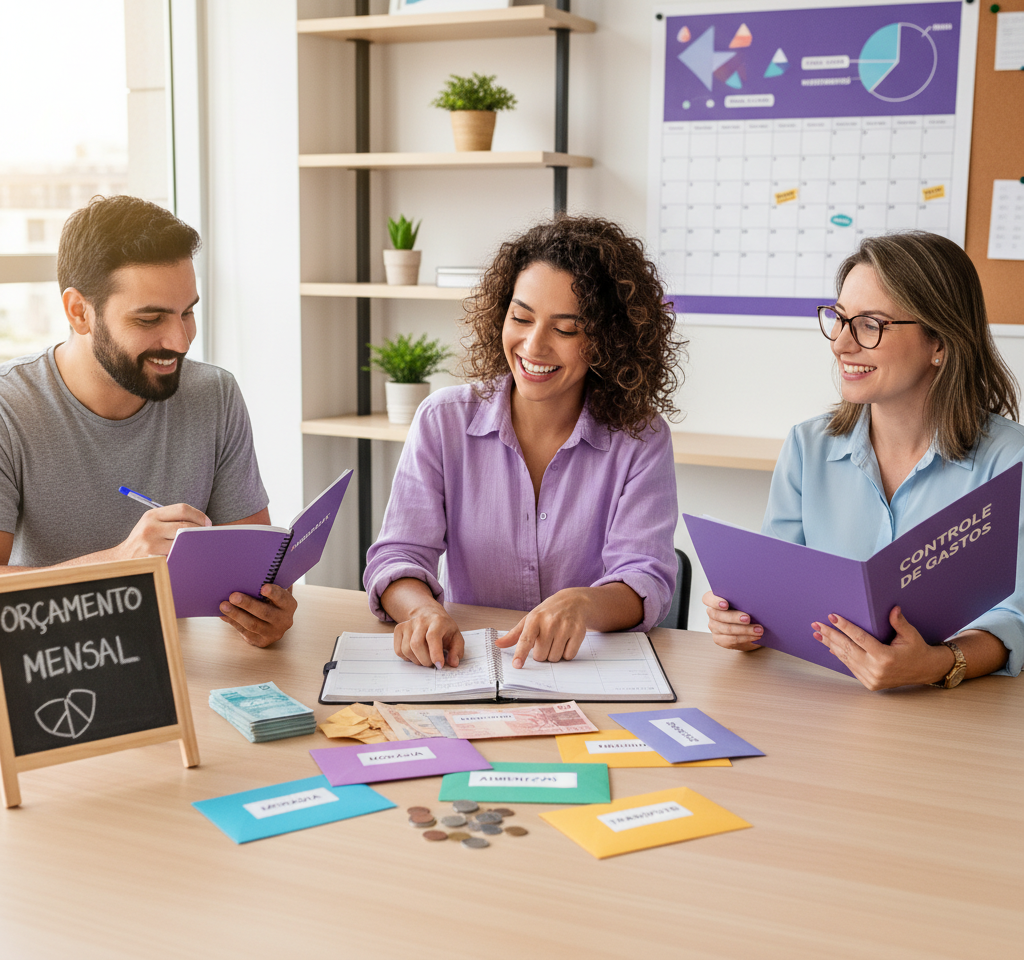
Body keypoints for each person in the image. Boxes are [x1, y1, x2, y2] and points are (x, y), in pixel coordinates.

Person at [704, 231, 1024, 689]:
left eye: (870, 324)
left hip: (960, 715)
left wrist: (938, 663)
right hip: (825, 700)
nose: (840, 344)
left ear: (941, 343)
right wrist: (743, 623)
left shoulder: (1011, 459)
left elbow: (1016, 617)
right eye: (839, 319)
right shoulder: (806, 446)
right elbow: (777, 592)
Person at [364, 215, 684, 670]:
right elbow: (398, 556)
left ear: (610, 340)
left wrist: (583, 604)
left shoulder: (640, 438)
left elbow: (644, 577)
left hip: (585, 672)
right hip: (468, 669)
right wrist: (422, 610)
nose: (534, 345)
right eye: (521, 317)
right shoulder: (443, 420)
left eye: (566, 328)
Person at [0, 195, 295, 647]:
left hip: (177, 662)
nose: (179, 340)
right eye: (150, 318)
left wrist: (264, 611)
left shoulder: (215, 394)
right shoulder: (10, 408)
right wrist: (121, 562)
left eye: (188, 312)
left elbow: (252, 565)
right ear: (79, 312)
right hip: (50, 663)